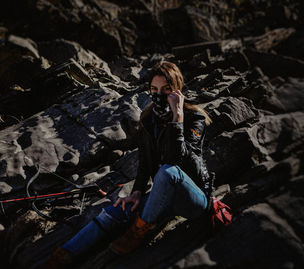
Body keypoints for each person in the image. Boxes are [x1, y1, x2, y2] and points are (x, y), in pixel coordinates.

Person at [37, 61, 215, 268]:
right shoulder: (149, 119)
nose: (159, 95)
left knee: (168, 171)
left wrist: (177, 119)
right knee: (115, 210)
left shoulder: (194, 118)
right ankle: (61, 256)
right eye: (154, 90)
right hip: (163, 197)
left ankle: (139, 231)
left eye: (166, 90)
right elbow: (145, 163)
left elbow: (181, 161)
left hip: (194, 198)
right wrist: (137, 192)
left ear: (177, 91)